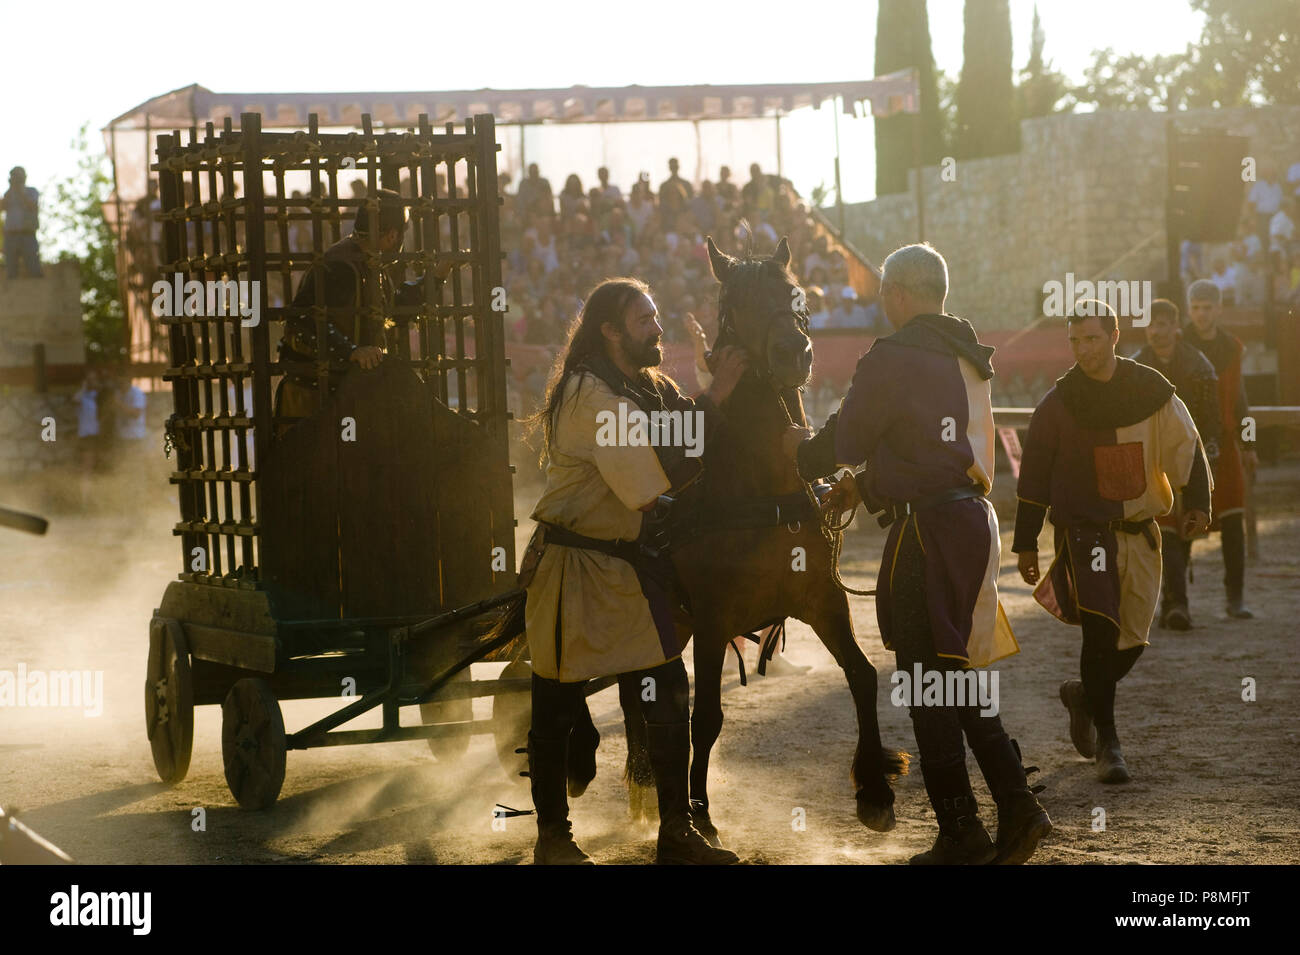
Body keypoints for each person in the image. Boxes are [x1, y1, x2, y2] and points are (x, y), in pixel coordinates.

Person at [785, 242, 1050, 865]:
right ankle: (1016, 806)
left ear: (900, 294)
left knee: (928, 681)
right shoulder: (968, 352)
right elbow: (930, 451)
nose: (881, 304)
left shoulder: (896, 353)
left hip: (928, 531)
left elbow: (848, 437)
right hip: (971, 522)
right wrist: (870, 484)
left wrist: (798, 458)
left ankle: (962, 832)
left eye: (883, 293)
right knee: (955, 677)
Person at [521, 277, 749, 865]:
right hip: (574, 571)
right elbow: (658, 478)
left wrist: (712, 390)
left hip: (622, 570)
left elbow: (686, 430)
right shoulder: (590, 397)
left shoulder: (645, 384)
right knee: (555, 709)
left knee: (668, 692)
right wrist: (717, 395)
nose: (658, 327)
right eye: (645, 319)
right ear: (610, 331)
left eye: (656, 316)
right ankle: (553, 840)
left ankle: (674, 831)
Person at [1014, 300, 1211, 785]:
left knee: (1134, 637)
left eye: (1093, 339)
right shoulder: (1058, 405)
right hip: (1086, 534)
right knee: (1100, 631)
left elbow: (1189, 445)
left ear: (1115, 335)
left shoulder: (1151, 391)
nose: (1083, 350)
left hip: (1141, 531)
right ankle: (1109, 742)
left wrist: (1199, 502)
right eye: (1075, 341)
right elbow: (1034, 475)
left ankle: (1084, 694)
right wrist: (1025, 542)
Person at [273, 188, 440, 435]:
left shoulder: (365, 262)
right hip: (313, 399)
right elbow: (303, 320)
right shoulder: (342, 265)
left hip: (341, 395)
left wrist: (435, 278)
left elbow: (391, 311)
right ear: (393, 235)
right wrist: (351, 352)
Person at [1132, 299, 1222, 630]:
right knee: (1165, 531)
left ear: (1175, 327)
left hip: (1190, 456)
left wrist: (1207, 461)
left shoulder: (1199, 366)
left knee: (1184, 530)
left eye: (1163, 324)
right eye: (1152, 325)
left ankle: (1172, 600)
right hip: (1152, 458)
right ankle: (1177, 603)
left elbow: (1211, 419)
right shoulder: (1137, 368)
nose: (1157, 331)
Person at [1183, 279, 1257, 618]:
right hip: (1185, 444)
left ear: (1219, 309)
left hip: (1225, 445)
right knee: (1177, 522)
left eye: (1208, 307)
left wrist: (1249, 443)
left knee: (1232, 518)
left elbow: (1241, 401)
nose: (1201, 314)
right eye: (1196, 307)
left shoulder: (1232, 348)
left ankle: (1236, 598)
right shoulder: (1178, 345)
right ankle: (1174, 599)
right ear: (1189, 309)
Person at [3, 166, 42, 279]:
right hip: (11, 235)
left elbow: (33, 206)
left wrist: (20, 191)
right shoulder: (9, 193)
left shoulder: (31, 191)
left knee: (33, 265)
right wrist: (11, 190)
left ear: (24, 177)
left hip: (27, 234)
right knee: (11, 268)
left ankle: (37, 287)